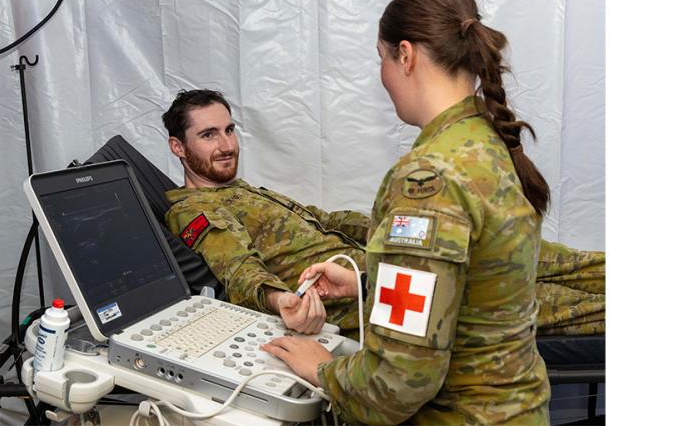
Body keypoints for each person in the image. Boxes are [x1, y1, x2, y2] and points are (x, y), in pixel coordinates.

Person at [261, 0, 559, 423]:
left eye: (380, 58)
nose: (381, 75)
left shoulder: (429, 178)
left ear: (406, 55)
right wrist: (368, 282)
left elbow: (399, 381)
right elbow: (472, 287)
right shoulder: (488, 142)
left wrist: (324, 370)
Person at [161, 89, 604, 340]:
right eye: (209, 135)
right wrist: (284, 303)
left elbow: (324, 219)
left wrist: (401, 220)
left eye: (230, 130)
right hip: (371, 299)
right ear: (178, 147)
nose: (227, 145)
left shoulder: (242, 191)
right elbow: (239, 269)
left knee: (534, 253)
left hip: (381, 262)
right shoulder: (194, 209)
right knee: (528, 296)